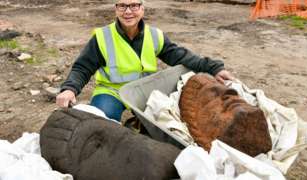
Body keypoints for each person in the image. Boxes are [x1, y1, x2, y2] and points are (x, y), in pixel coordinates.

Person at [56, 0, 234, 121]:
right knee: (100, 123)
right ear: (116, 9)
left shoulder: (155, 35)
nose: (128, 11)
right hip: (112, 92)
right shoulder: (102, 37)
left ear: (142, 9)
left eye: (134, 5)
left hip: (144, 91)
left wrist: (214, 68)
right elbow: (82, 67)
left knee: (164, 124)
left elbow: (181, 56)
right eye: (122, 6)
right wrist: (70, 89)